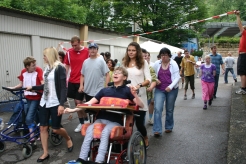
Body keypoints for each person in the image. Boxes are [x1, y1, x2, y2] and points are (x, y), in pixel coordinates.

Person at [64, 67, 144, 164]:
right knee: (90, 129)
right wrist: (73, 109)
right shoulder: (104, 90)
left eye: (119, 73)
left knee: (105, 132)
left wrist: (135, 94)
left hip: (115, 121)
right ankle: (81, 159)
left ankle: (99, 161)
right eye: (114, 72)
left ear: (124, 77)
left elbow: (141, 105)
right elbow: (89, 103)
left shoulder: (127, 91)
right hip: (101, 119)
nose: (115, 74)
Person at [27, 47, 73, 162]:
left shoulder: (59, 68)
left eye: (44, 55)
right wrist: (33, 88)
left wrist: (61, 104)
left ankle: (68, 138)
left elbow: (63, 88)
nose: (43, 57)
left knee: (56, 129)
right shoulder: (47, 68)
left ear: (50, 55)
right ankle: (45, 153)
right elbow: (46, 86)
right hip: (44, 101)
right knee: (43, 127)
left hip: (55, 102)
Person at [8, 57, 43, 147]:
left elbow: (42, 84)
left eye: (35, 64)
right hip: (27, 96)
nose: (35, 66)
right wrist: (13, 87)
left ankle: (32, 139)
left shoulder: (38, 70)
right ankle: (39, 130)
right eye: (33, 65)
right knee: (33, 115)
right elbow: (21, 84)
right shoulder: (23, 71)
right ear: (27, 66)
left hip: (36, 97)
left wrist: (35, 89)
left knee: (28, 117)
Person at [123, 42, 151, 148]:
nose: (131, 52)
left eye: (133, 50)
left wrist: (138, 85)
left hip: (139, 96)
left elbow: (149, 79)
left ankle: (144, 137)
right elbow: (121, 76)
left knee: (139, 123)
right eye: (129, 50)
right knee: (127, 122)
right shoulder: (124, 62)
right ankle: (127, 143)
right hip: (126, 96)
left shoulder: (143, 62)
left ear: (138, 51)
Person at [64, 36, 89, 132]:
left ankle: (86, 121)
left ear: (79, 43)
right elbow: (67, 66)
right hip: (72, 80)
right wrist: (64, 78)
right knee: (76, 102)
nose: (74, 47)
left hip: (82, 80)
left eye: (76, 45)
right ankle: (82, 122)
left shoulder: (86, 51)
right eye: (72, 45)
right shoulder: (69, 52)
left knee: (78, 102)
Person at [152, 48, 180, 136]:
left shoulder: (173, 63)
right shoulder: (157, 63)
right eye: (162, 55)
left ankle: (168, 127)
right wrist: (156, 79)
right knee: (157, 108)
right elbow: (152, 74)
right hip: (160, 89)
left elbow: (177, 77)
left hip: (172, 89)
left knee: (169, 109)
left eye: (165, 55)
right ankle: (157, 129)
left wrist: (170, 86)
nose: (163, 57)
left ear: (169, 56)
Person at [235, 10, 246, 94]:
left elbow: (239, 25)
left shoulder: (245, 33)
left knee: (242, 72)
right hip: (243, 54)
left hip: (243, 55)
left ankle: (243, 89)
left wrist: (238, 15)